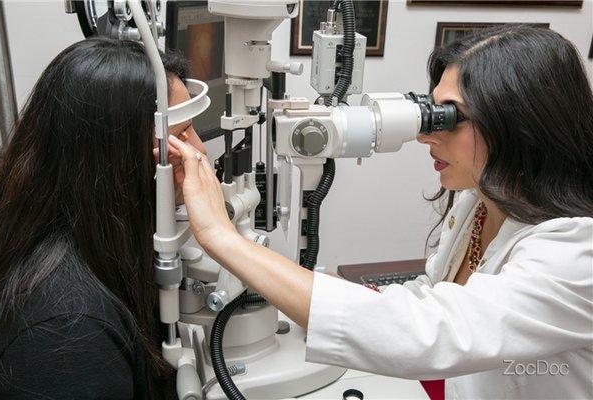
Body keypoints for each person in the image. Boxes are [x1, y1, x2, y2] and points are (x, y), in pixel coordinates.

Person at [167, 25, 593, 399]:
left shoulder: (576, 254)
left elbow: (430, 333)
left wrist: (221, 236)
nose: (427, 136)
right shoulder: (480, 203)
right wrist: (316, 287)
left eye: (451, 117)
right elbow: (436, 295)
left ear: (517, 125)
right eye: (432, 110)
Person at [0, 37, 205, 399]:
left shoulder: (102, 251)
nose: (198, 151)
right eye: (181, 136)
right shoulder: (68, 330)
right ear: (119, 157)